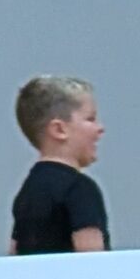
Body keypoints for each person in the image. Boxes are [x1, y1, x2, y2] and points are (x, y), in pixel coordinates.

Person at [10, 76, 109, 253]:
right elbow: (92, 260)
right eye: (90, 119)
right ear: (59, 130)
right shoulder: (80, 189)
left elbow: (14, 253)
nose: (100, 128)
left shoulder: (28, 191)